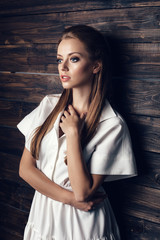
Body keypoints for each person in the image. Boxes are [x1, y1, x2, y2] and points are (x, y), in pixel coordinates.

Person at [17, 25, 137, 240]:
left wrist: (73, 134)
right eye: (58, 59)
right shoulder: (48, 105)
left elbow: (83, 193)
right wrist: (69, 199)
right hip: (43, 214)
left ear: (95, 66)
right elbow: (26, 169)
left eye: (73, 59)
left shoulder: (112, 124)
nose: (62, 67)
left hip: (83, 224)